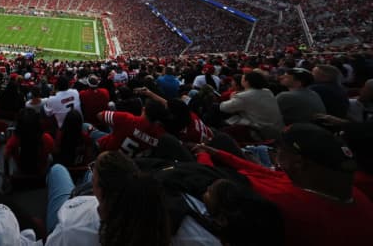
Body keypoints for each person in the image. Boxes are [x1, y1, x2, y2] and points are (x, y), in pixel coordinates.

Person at [193, 123, 373, 245]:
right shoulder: (348, 192)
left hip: (228, 190)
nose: (276, 151)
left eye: (280, 148)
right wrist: (217, 153)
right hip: (241, 180)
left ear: (298, 162)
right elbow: (269, 173)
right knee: (222, 141)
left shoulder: (279, 203)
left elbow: (211, 181)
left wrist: (202, 154)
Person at [45, 151, 171, 246]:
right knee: (88, 175)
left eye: (94, 167)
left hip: (64, 222)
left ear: (99, 189)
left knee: (58, 169)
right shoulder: (151, 222)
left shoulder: (71, 229)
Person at [93, 91, 167, 157]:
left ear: (143, 109)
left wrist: (117, 126)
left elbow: (99, 115)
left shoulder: (127, 119)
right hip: (129, 166)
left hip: (106, 156)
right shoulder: (160, 135)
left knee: (86, 126)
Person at [219, 71, 283, 140]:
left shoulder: (243, 96)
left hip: (260, 131)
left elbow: (223, 107)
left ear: (247, 82)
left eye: (242, 79)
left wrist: (231, 97)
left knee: (223, 130)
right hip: (276, 128)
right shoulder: (267, 91)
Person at [4, 108, 54, 179]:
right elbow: (52, 150)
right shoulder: (47, 138)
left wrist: (6, 176)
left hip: (21, 173)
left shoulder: (14, 140)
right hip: (41, 176)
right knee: (50, 158)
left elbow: (6, 157)